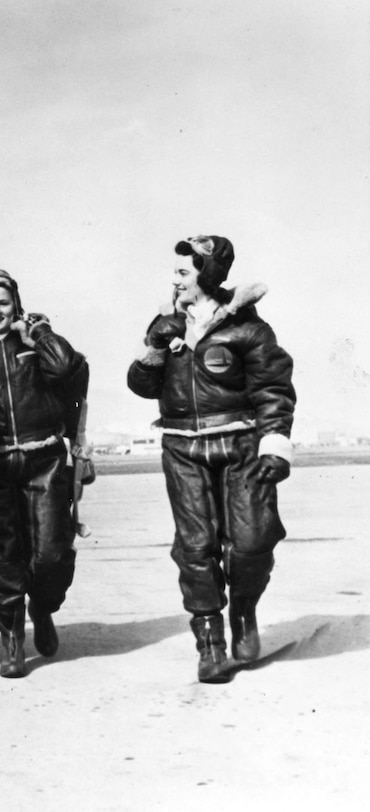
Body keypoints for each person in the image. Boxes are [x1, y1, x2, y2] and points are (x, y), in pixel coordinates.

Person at [127, 235, 296, 684]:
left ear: (208, 274)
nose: (175, 280)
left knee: (253, 540)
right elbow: (142, 386)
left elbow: (273, 390)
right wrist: (154, 349)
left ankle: (243, 609)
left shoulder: (250, 330)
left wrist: (275, 444)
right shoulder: (167, 324)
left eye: (183, 272)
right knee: (196, 548)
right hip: (183, 450)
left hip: (241, 446)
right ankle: (211, 645)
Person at [0, 270, 88, 678]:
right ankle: (12, 639)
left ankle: (44, 608)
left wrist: (41, 332)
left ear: (15, 304)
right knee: (3, 560)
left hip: (44, 460)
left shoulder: (34, 342)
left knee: (52, 553)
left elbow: (69, 367)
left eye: (3, 302)